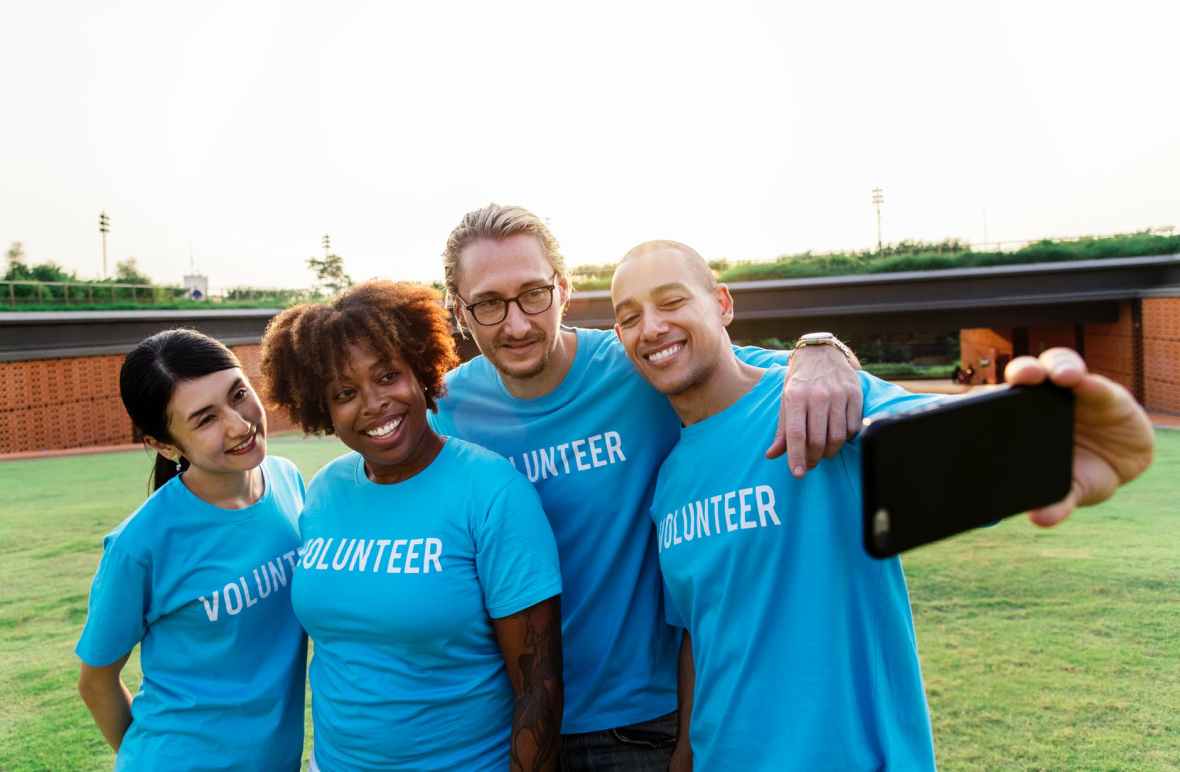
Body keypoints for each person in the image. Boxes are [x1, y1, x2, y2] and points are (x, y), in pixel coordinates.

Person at [609, 239, 1156, 771]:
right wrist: (685, 755)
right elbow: (700, 633)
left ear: (722, 303)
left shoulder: (818, 399)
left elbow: (941, 443)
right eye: (629, 316)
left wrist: (1060, 439)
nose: (651, 327)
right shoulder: (670, 482)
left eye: (672, 300)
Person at [430, 203, 865, 769]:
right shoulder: (447, 411)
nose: (516, 324)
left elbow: (759, 372)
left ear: (563, 289)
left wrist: (822, 348)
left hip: (645, 726)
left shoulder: (640, 364)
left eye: (533, 293)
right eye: (488, 303)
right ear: (459, 312)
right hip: (510, 725)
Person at [259, 280, 564, 771]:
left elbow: (538, 688)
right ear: (323, 409)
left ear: (421, 373)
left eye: (387, 376)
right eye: (344, 392)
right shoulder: (324, 492)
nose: (374, 403)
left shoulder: (491, 491)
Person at [75, 329, 308, 771]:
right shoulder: (139, 545)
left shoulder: (287, 480)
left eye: (239, 394)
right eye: (205, 419)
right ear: (163, 444)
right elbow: (96, 682)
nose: (240, 425)